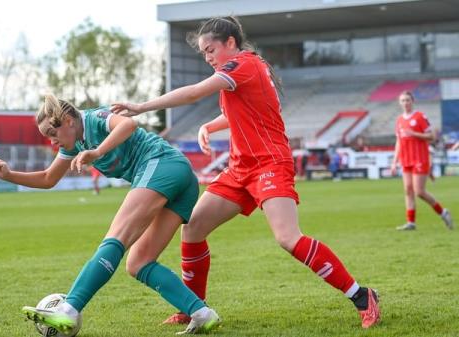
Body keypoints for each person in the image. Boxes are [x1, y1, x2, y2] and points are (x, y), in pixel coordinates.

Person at [112, 16, 380, 329]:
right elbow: (239, 112)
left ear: (230, 42)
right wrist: (209, 125)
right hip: (240, 168)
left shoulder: (243, 65)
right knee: (194, 228)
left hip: (269, 163)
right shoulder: (246, 70)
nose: (209, 57)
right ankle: (193, 309)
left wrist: (141, 107)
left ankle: (362, 296)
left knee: (288, 238)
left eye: (211, 49)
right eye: (204, 54)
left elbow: (194, 93)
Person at [0, 94, 221, 335]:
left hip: (162, 163)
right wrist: (8, 174)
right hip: (182, 181)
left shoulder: (93, 118)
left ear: (68, 120)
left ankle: (69, 309)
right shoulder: (74, 144)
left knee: (116, 237)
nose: (53, 142)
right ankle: (201, 313)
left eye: (52, 134)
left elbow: (128, 124)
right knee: (138, 263)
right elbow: (48, 178)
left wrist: (96, 152)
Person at [390, 91, 453, 231]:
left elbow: (431, 136)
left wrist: (413, 134)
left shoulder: (420, 117)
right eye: (403, 100)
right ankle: (411, 222)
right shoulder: (399, 120)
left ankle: (443, 212)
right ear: (399, 103)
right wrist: (394, 162)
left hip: (420, 158)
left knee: (419, 191)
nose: (405, 103)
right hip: (405, 159)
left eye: (407, 100)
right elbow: (398, 142)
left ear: (412, 101)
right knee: (408, 190)